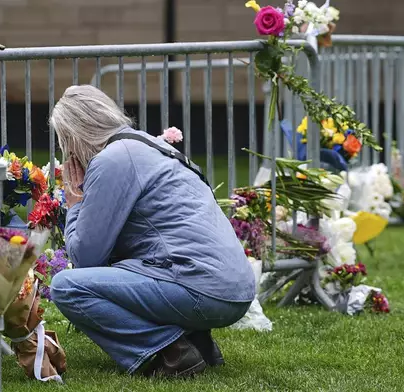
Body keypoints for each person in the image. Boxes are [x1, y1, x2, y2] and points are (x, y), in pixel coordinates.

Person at [49, 85, 255, 378]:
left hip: (202, 290)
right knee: (131, 265)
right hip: (236, 289)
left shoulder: (112, 160)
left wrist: (75, 203)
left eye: (65, 143)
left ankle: (171, 352)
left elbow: (86, 258)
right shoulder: (149, 145)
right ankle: (195, 339)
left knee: (67, 287)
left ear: (74, 137)